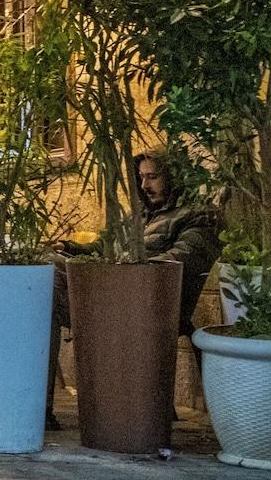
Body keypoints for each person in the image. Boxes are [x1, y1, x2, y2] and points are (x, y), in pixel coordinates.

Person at [43, 149, 221, 430]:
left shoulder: (198, 217)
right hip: (112, 292)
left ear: (174, 177)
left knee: (48, 285)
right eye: (141, 178)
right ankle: (38, 406)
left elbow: (179, 261)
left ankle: (39, 408)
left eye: (153, 177)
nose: (144, 186)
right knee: (44, 272)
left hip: (147, 303)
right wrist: (70, 248)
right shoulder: (139, 217)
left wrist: (123, 268)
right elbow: (105, 247)